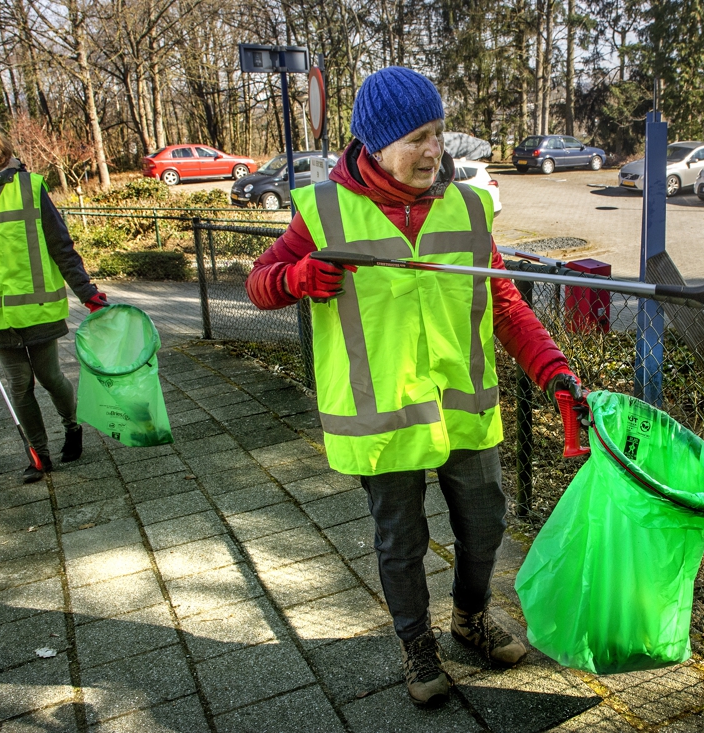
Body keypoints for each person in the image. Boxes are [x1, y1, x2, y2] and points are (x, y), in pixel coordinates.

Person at [246, 67, 582, 708]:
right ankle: (416, 644)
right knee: (399, 542)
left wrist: (551, 369)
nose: (434, 151)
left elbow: (503, 302)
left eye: (438, 133)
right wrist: (298, 279)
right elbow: (260, 282)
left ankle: (470, 618)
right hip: (383, 415)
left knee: (484, 526)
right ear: (374, 145)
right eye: (416, 138)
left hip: (464, 408)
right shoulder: (321, 212)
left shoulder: (471, 206)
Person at [0, 113, 108, 483]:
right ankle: (39, 456)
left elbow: (61, 245)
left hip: (37, 307)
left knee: (49, 377)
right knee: (19, 384)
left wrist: (87, 292)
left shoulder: (29, 186)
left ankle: (72, 425)